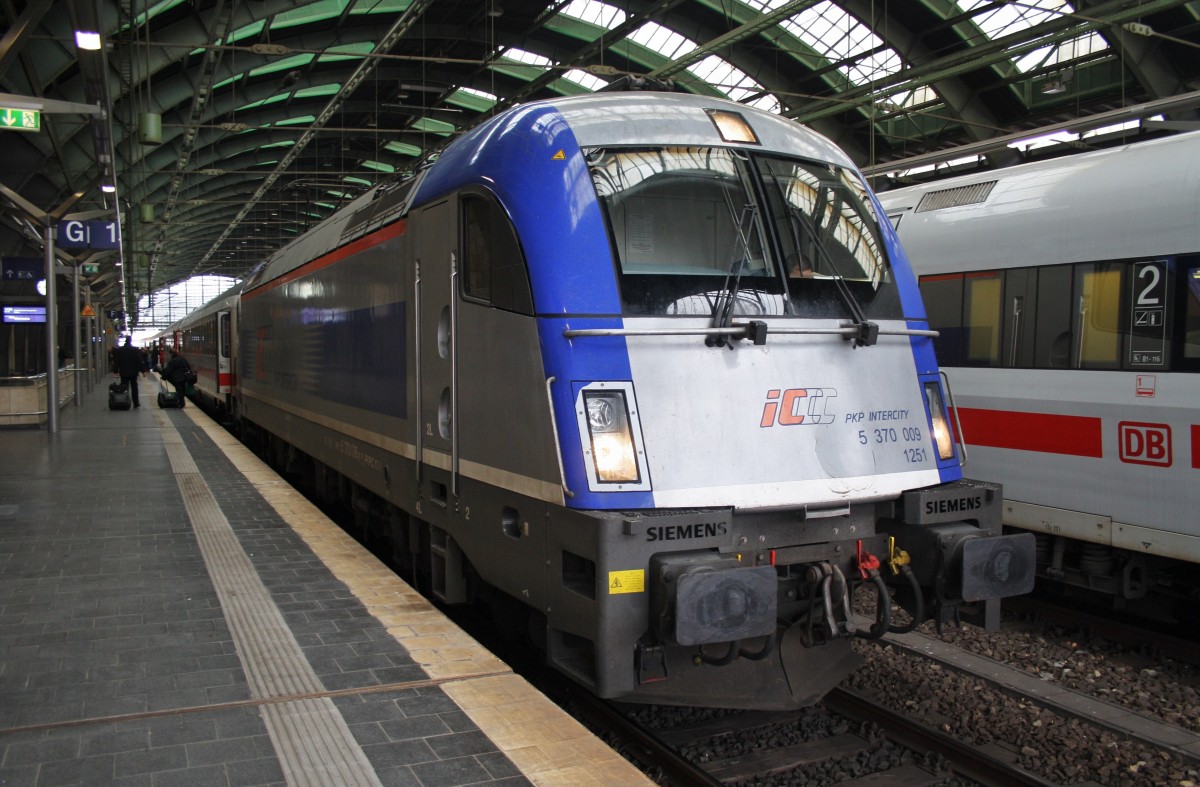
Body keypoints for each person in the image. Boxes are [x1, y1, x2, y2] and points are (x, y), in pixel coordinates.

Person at [111, 336, 146, 408]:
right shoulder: (135, 350)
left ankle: (124, 401)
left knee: (124, 387)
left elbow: (116, 361)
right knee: (134, 387)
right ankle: (136, 403)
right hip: (133, 372)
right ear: (130, 341)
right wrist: (143, 371)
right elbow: (139, 361)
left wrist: (116, 371)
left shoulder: (120, 350)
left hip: (124, 372)